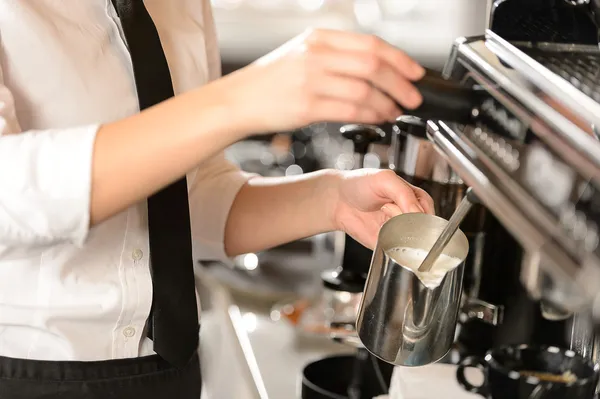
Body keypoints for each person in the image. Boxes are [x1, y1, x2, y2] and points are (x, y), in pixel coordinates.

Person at [0, 1, 434, 398]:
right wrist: (237, 99)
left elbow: (184, 197)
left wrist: (331, 199)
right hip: (26, 374)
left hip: (169, 373)